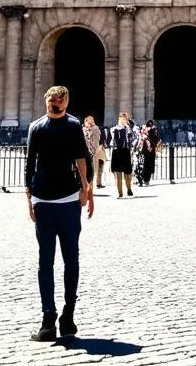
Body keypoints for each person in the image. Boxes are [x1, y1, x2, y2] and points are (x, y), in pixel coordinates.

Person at [26, 85, 94, 341]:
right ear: (47, 101)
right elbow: (29, 163)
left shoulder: (73, 125)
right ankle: (49, 317)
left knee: (69, 259)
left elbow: (81, 159)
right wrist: (28, 197)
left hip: (66, 198)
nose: (58, 104)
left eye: (62, 101)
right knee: (47, 261)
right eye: (55, 101)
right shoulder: (36, 127)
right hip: (44, 200)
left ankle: (68, 314)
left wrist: (87, 189)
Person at [110, 111, 136, 197]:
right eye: (122, 118)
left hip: (125, 151)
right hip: (117, 151)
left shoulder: (129, 129)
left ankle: (129, 188)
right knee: (118, 173)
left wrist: (130, 127)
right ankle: (120, 192)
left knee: (127, 172)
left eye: (125, 118)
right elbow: (113, 140)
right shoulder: (114, 129)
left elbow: (134, 138)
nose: (124, 119)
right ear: (119, 118)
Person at [82, 115, 105, 190]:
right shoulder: (83, 130)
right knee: (86, 169)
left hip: (97, 150)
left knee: (97, 167)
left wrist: (99, 147)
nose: (90, 121)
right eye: (88, 120)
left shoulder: (96, 129)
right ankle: (86, 185)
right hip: (84, 152)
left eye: (91, 120)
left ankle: (97, 183)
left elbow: (100, 138)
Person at [135, 120, 160, 186]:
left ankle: (140, 178)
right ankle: (146, 180)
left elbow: (139, 139)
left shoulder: (143, 130)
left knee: (141, 164)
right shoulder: (153, 130)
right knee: (148, 165)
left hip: (142, 150)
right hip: (150, 151)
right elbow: (156, 139)